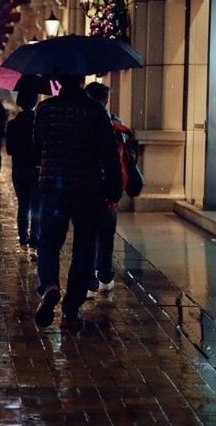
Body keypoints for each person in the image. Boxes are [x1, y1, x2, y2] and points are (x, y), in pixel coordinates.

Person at [32, 75, 122, 328]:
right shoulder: (95, 110)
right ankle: (71, 309)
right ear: (82, 81)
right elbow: (109, 153)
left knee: (48, 242)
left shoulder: (44, 108)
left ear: (59, 81)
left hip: (52, 187)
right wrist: (114, 190)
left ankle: (49, 284)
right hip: (88, 188)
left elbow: (37, 144)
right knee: (84, 247)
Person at [84, 82, 131, 297]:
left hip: (86, 184)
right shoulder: (115, 123)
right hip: (109, 186)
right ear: (106, 100)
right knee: (107, 233)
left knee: (87, 233)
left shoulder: (81, 120)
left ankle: (89, 281)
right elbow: (117, 159)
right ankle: (105, 276)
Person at [6, 90, 39, 257]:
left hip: (19, 169)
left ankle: (23, 242)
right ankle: (34, 243)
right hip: (37, 169)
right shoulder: (38, 123)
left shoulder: (12, 124)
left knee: (23, 205)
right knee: (36, 207)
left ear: (19, 103)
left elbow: (10, 150)